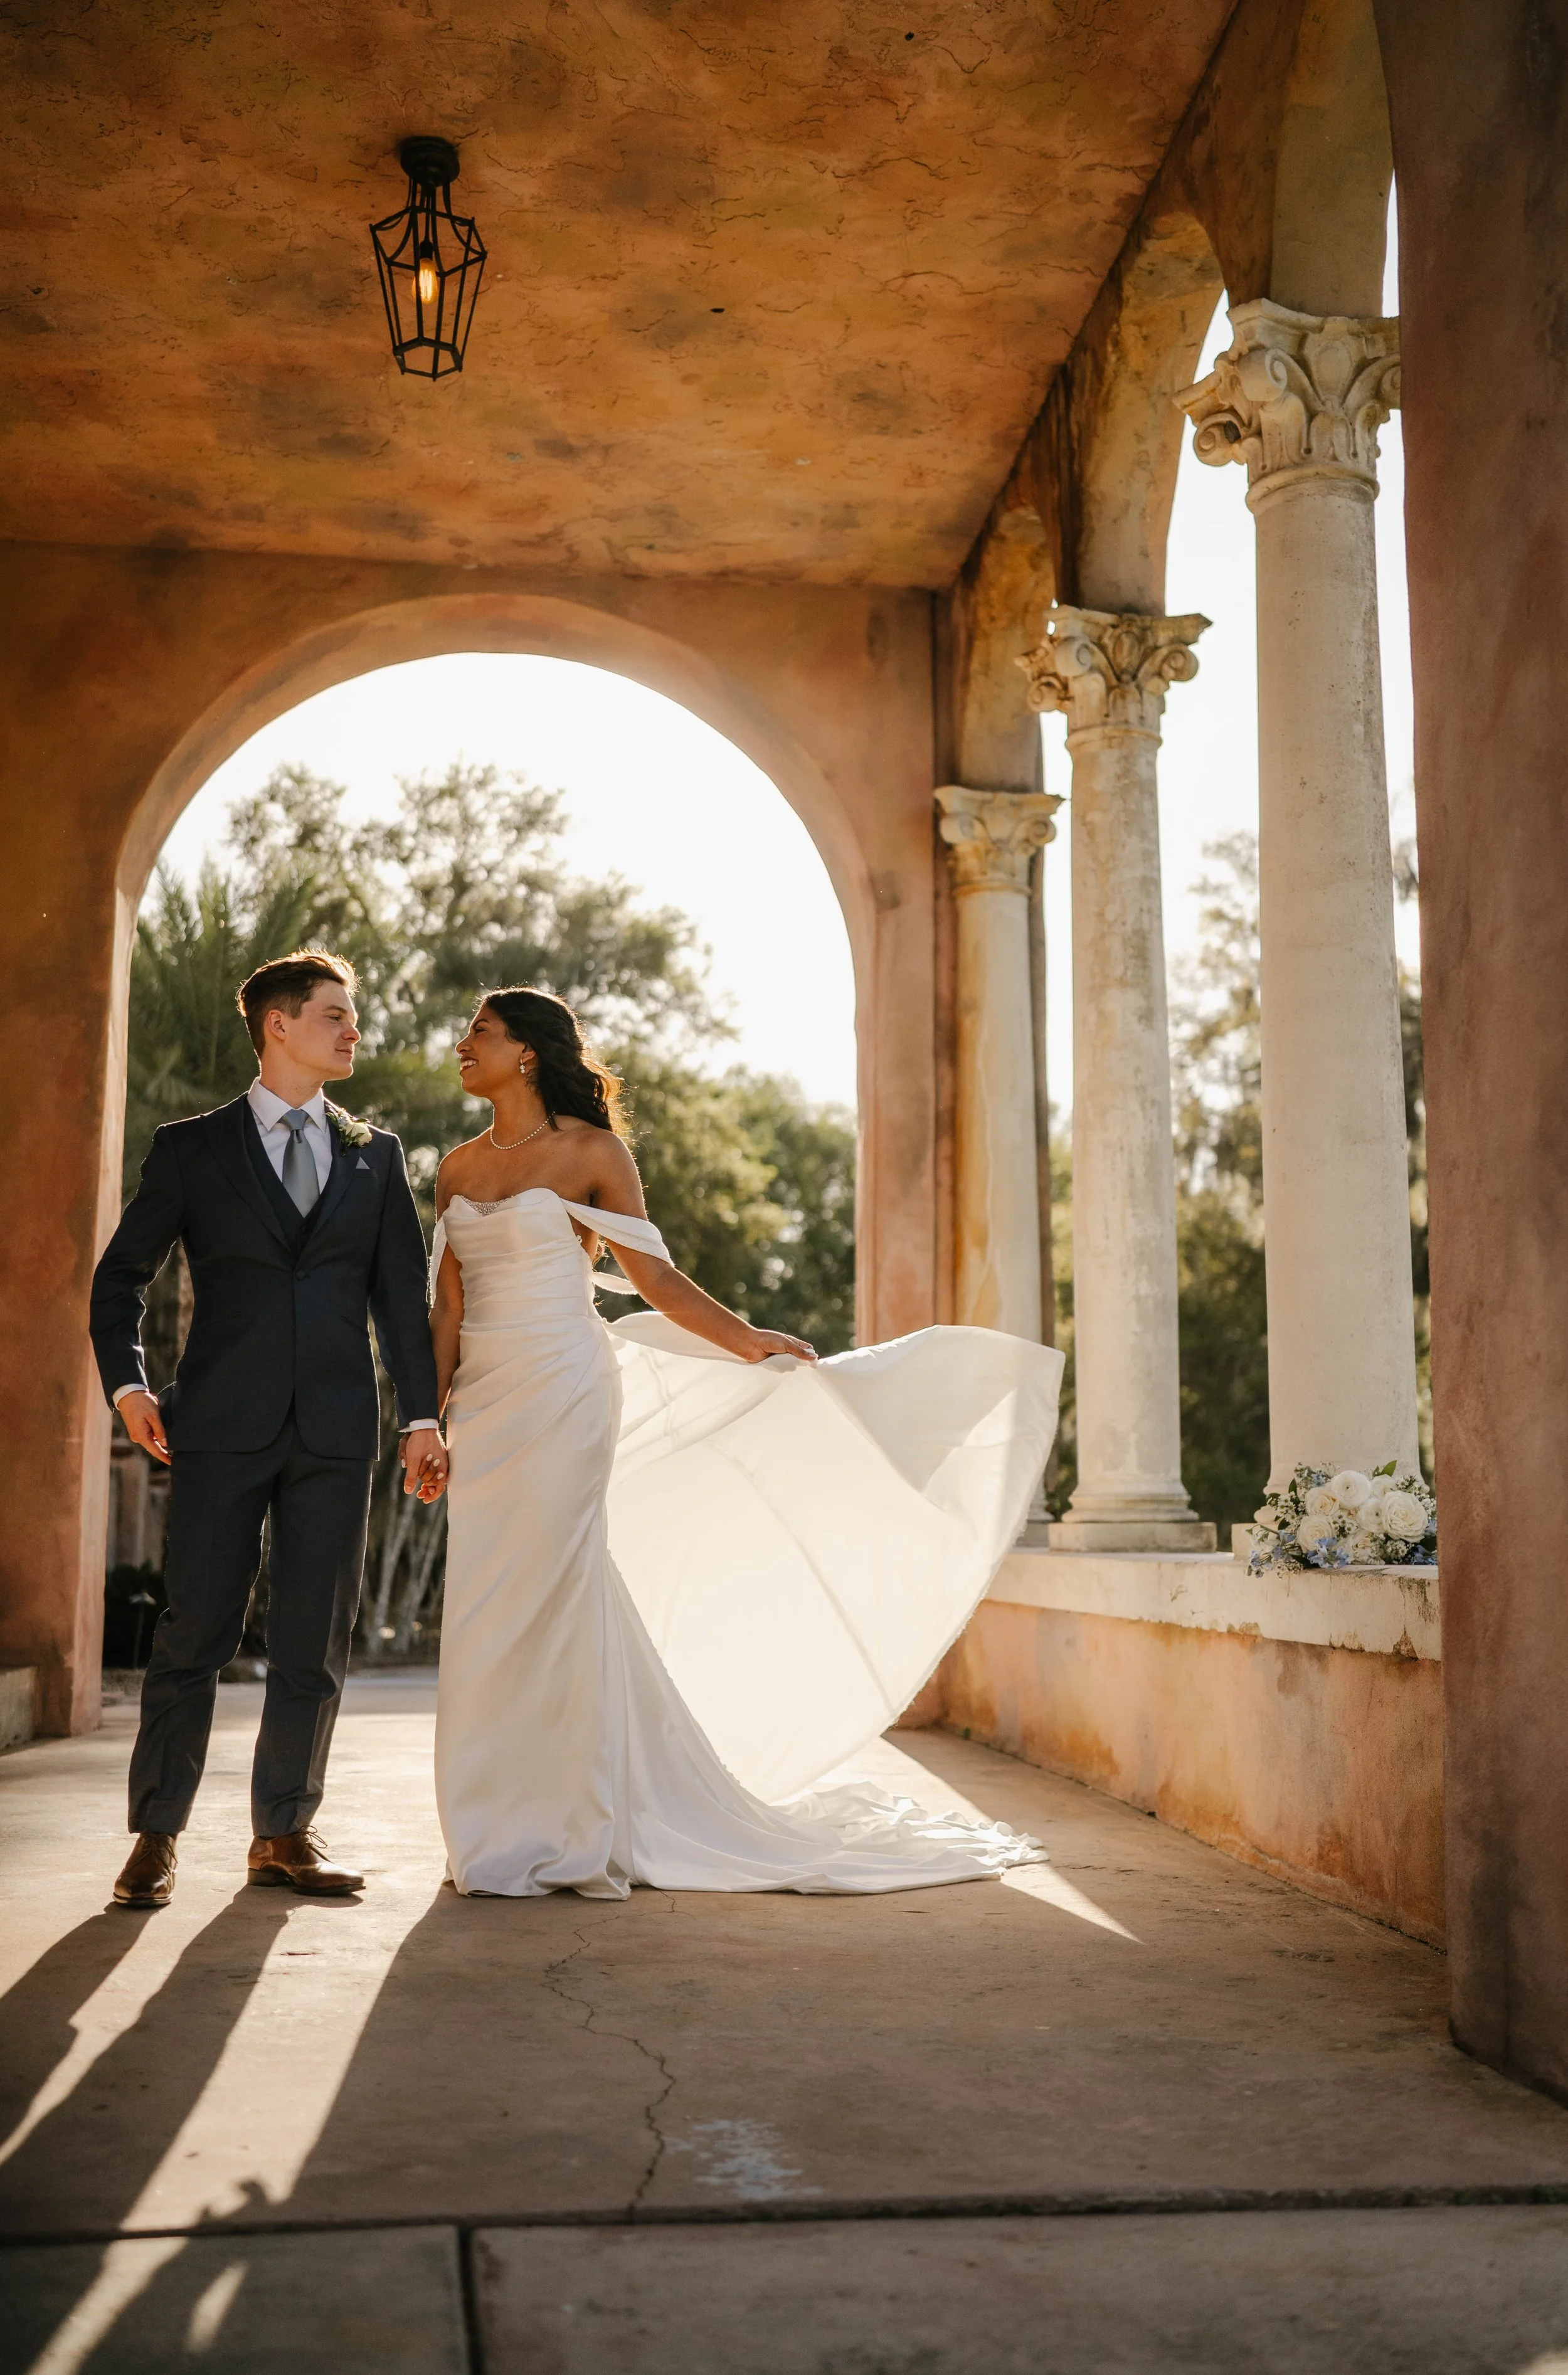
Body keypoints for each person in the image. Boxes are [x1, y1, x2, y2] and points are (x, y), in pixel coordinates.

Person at [428, 985, 1065, 1898]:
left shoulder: (593, 1152)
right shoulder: (454, 1167)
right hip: (486, 1406)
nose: (463, 1043)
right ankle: (495, 1817)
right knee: (490, 1599)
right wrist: (430, 1417)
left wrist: (746, 1338)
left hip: (566, 1388)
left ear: (527, 1051)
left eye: (480, 1032)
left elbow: (655, 1277)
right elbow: (447, 1305)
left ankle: (576, 1815)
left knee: (558, 1583)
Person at [90, 950, 447, 1908]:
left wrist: (422, 1416)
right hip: (215, 1426)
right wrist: (128, 1386)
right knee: (193, 1634)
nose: (353, 1029)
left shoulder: (377, 1156)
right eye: (335, 1013)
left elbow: (399, 1307)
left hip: (336, 1430)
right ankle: (155, 1838)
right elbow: (121, 1277)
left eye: (353, 1013)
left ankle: (283, 1832)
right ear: (278, 1025)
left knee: (314, 1642)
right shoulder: (191, 1149)